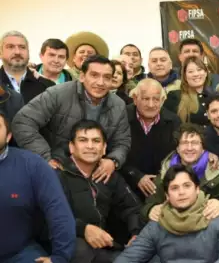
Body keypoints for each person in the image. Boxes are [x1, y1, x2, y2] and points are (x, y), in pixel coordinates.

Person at [12, 55, 130, 184]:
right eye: (94, 75)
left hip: (94, 174)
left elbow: (122, 141)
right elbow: (23, 122)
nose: (100, 82)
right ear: (82, 76)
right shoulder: (57, 94)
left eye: (106, 77)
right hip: (54, 169)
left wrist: (113, 161)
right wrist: (45, 157)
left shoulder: (118, 105)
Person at [114, 164, 219, 263]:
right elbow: (128, 257)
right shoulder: (158, 223)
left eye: (187, 186)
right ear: (167, 195)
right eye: (174, 188)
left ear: (197, 189)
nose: (181, 192)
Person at [57, 120, 142, 263]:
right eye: (83, 140)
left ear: (104, 148)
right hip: (71, 248)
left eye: (96, 141)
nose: (90, 146)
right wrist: (83, 229)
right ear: (72, 147)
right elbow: (49, 217)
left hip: (108, 247)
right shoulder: (57, 174)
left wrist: (136, 234)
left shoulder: (110, 175)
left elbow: (133, 207)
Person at [0, 111, 76, 263]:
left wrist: (60, 257)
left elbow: (58, 211)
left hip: (18, 253)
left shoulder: (32, 165)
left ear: (8, 136)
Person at [141, 123, 219, 223]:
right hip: (173, 230)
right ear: (178, 148)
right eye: (184, 143)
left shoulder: (218, 173)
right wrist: (150, 210)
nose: (189, 148)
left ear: (203, 148)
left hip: (207, 229)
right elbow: (148, 203)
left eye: (195, 143)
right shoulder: (165, 172)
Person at [120, 78, 181, 199]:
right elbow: (114, 152)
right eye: (146, 99)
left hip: (163, 187)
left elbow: (177, 156)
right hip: (126, 186)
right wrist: (136, 177)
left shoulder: (173, 121)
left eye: (156, 99)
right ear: (135, 99)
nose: (151, 104)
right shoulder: (122, 117)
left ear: (163, 100)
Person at [0, 31, 55, 103]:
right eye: (10, 47)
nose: (17, 52)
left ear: (28, 52)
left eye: (22, 47)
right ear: (0, 53)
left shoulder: (48, 86)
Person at [163, 56, 213, 126]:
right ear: (185, 76)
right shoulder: (175, 97)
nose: (196, 74)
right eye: (190, 72)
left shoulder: (214, 96)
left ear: (206, 73)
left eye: (199, 69)